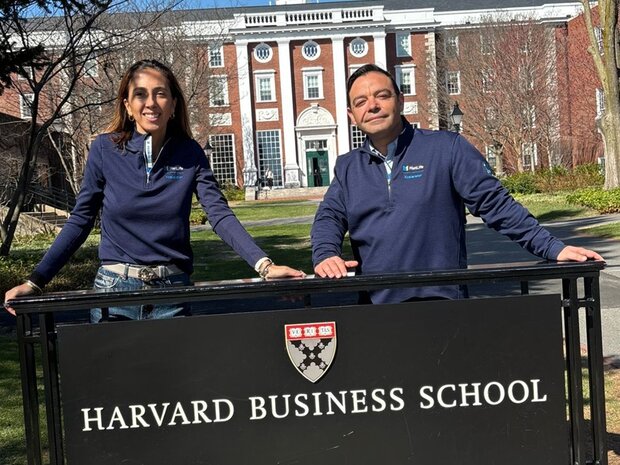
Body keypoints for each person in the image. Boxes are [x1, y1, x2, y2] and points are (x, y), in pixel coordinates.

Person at [4, 59, 304, 320]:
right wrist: (35, 282)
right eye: (140, 94)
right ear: (127, 105)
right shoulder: (104, 150)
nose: (151, 102)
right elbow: (81, 220)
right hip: (114, 293)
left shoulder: (190, 153)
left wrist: (265, 266)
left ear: (173, 104)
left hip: (172, 292)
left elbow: (219, 214)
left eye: (160, 93)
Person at [311, 64, 603, 304]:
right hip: (376, 312)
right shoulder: (348, 167)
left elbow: (496, 204)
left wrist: (552, 248)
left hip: (444, 306)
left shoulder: (446, 149)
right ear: (352, 116)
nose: (372, 106)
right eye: (360, 102)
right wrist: (326, 254)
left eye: (382, 96)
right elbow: (329, 217)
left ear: (400, 100)